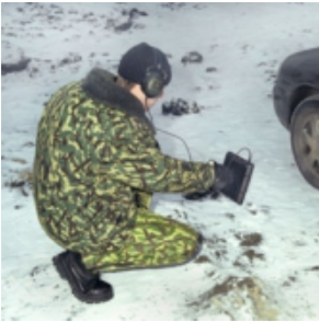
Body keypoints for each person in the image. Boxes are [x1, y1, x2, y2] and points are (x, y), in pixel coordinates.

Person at [33, 42, 232, 304]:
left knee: (146, 155)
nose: (160, 96)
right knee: (186, 243)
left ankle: (112, 231)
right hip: (75, 226)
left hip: (51, 206)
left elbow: (138, 161)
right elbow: (158, 173)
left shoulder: (73, 91)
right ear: (148, 84)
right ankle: (81, 262)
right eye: (158, 88)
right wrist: (210, 176)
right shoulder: (118, 125)